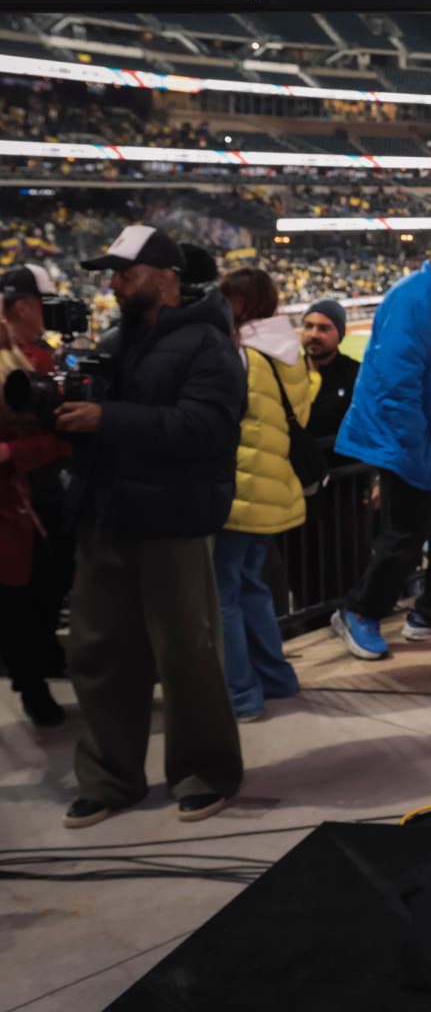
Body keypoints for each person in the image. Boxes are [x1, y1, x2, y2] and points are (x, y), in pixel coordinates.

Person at [58, 226, 248, 828]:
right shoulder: (115, 341)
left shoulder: (206, 343)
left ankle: (207, 771)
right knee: (99, 653)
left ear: (164, 277)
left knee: (186, 655)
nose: (113, 283)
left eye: (125, 272)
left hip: (173, 520)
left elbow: (204, 428)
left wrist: (105, 417)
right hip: (107, 516)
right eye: (111, 273)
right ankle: (110, 779)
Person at [329, 231, 431, 660]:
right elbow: (396, 383)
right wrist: (418, 442)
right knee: (408, 534)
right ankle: (358, 611)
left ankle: (428, 613)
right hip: (411, 440)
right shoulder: (416, 296)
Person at [214, 267, 309, 723]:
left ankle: (242, 696)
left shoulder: (240, 351)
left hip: (242, 488)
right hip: (276, 486)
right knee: (251, 587)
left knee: (222, 594)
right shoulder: (288, 347)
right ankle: (276, 677)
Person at [0, 265, 75, 727]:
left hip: (36, 493)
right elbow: (58, 437)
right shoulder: (30, 359)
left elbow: (58, 437)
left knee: (47, 585)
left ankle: (40, 664)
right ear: (25, 306)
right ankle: (32, 681)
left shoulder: (36, 356)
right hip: (19, 499)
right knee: (23, 596)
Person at [300, 298, 359, 459]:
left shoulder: (357, 375)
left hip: (344, 475)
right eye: (308, 326)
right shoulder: (285, 372)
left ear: (339, 334)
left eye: (323, 328)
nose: (313, 334)